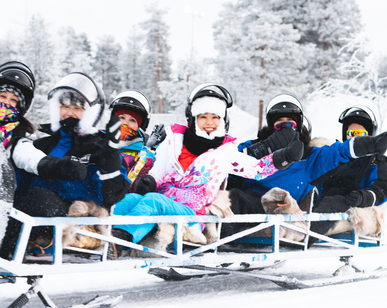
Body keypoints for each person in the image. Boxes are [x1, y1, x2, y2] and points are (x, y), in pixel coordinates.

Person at [111, 84, 304, 257]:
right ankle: (97, 230)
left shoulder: (225, 151)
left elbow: (256, 169)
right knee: (130, 199)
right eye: (203, 117)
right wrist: (149, 182)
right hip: (164, 202)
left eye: (215, 117)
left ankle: (119, 243)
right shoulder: (174, 141)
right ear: (193, 118)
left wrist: (283, 156)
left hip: (193, 215)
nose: (209, 122)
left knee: (154, 201)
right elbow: (158, 173)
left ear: (222, 120)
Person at [2, 72, 131, 257]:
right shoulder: (42, 145)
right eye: (64, 106)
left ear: (91, 112)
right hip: (33, 211)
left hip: (78, 215)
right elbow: (21, 181)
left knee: (40, 199)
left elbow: (111, 195)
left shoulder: (100, 148)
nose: (69, 113)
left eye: (77, 108)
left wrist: (110, 155)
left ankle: (4, 254)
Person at [224, 94, 387, 239]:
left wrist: (371, 144)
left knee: (240, 198)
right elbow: (227, 161)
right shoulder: (254, 146)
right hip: (249, 198)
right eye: (279, 122)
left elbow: (339, 151)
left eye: (290, 123)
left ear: (299, 125)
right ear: (271, 124)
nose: (285, 126)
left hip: (281, 207)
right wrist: (264, 147)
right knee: (232, 197)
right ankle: (210, 233)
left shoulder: (310, 156)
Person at [307, 105, 387, 244]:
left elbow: (381, 190)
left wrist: (362, 198)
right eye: (351, 133)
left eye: (359, 133)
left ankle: (304, 235)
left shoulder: (375, 161)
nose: (354, 137)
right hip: (322, 202)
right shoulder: (337, 156)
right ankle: (282, 228)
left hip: (351, 204)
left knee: (334, 202)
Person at [108, 90, 166, 189]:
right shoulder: (99, 140)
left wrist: (150, 149)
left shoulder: (142, 151)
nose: (125, 123)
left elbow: (133, 184)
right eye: (122, 117)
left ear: (139, 126)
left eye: (132, 120)